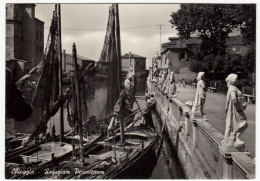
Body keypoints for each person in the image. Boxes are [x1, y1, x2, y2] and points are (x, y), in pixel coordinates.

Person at [222, 74, 247, 148]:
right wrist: (239, 108)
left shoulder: (231, 87)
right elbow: (234, 99)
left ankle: (234, 137)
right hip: (236, 110)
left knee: (240, 124)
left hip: (234, 109)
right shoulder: (233, 88)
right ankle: (234, 137)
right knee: (244, 123)